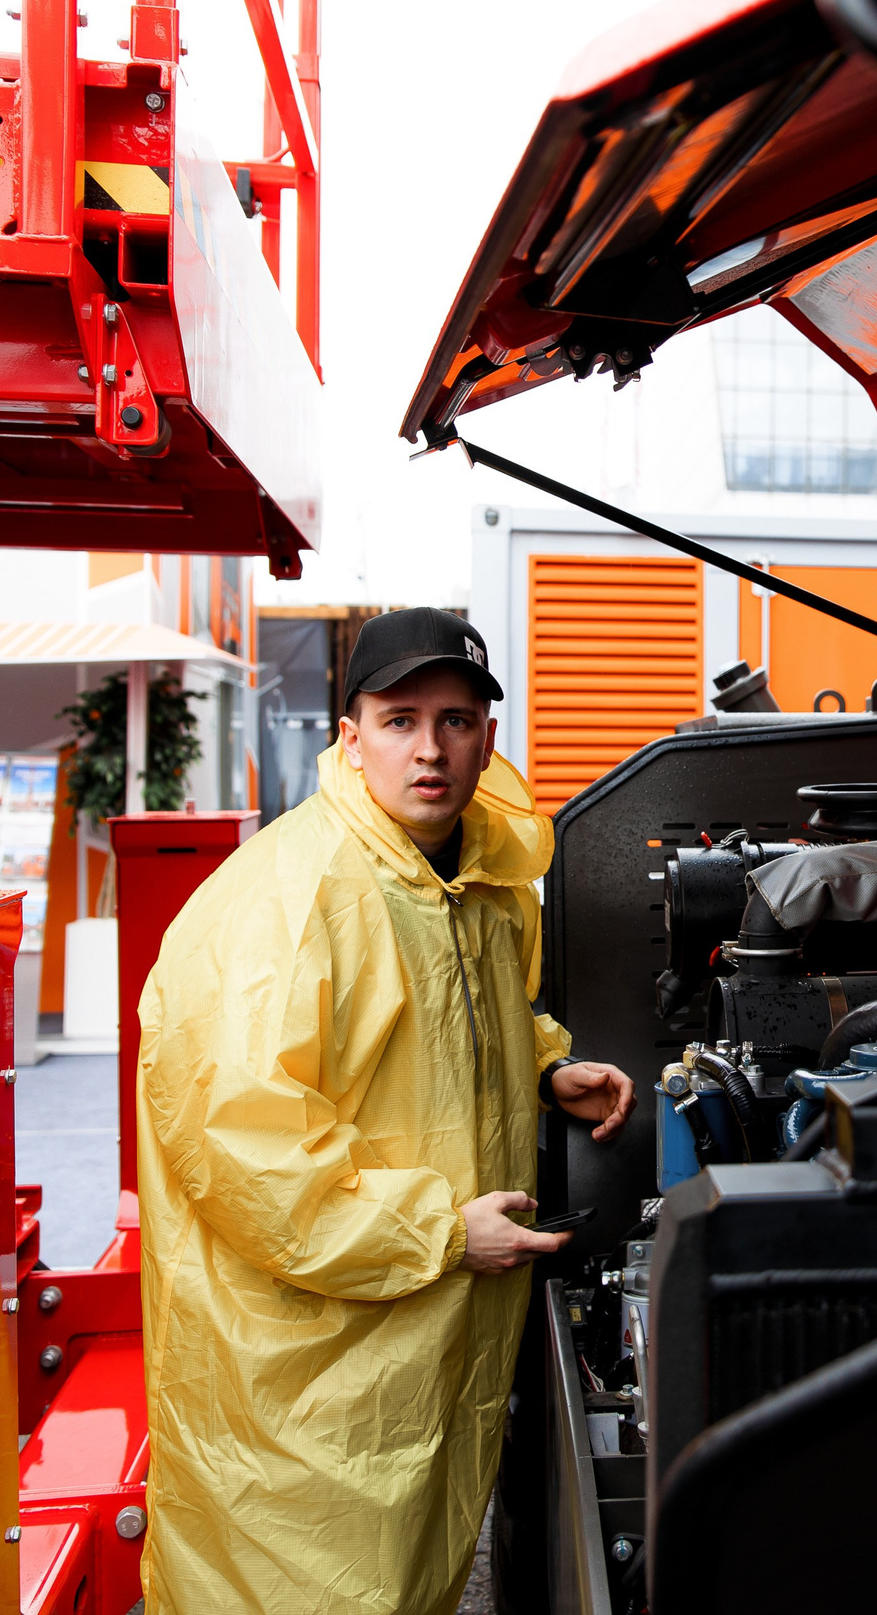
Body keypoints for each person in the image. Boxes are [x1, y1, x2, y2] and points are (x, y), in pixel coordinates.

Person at [135, 608, 635, 1614]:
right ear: (349, 731)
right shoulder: (293, 896)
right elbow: (245, 1148)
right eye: (399, 719)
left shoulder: (480, 873)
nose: (430, 750)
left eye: (455, 721)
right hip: (306, 1371)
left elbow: (450, 1020)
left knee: (403, 1582)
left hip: (418, 1349)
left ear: (488, 737)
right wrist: (441, 1232)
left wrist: (543, 1070)